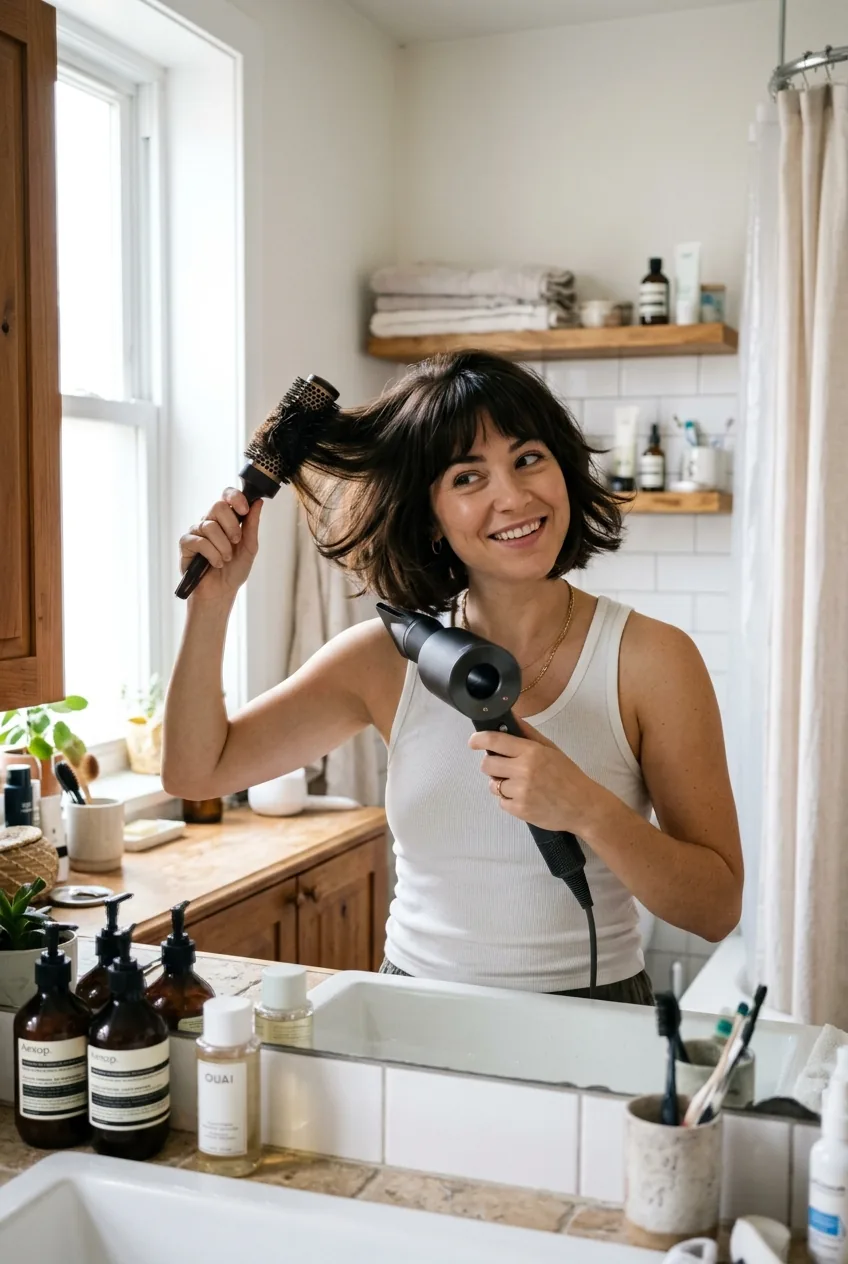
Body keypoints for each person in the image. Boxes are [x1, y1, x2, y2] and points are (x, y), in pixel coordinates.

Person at [162, 351, 743, 1004]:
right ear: (430, 515)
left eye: (528, 459)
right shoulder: (386, 659)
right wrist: (212, 606)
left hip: (596, 1016)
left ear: (564, 471)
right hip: (415, 1015)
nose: (514, 497)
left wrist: (586, 807)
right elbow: (195, 771)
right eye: (469, 478)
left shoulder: (651, 661)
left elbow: (715, 908)